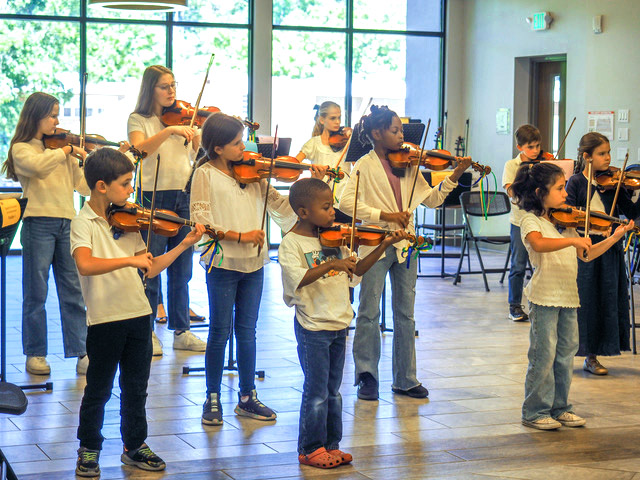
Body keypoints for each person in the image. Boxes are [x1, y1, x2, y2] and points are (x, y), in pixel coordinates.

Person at [71, 147, 205, 477]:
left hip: (138, 315)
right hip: (104, 320)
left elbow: (151, 267)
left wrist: (184, 244)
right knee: (98, 390)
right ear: (102, 186)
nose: (132, 190)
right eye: (126, 183)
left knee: (136, 388)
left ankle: (135, 445)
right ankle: (89, 448)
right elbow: (86, 265)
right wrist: (130, 260)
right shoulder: (82, 222)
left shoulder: (129, 223)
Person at [190, 113, 326, 426]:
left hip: (253, 262)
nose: (245, 147)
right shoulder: (205, 174)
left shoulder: (255, 175)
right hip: (223, 262)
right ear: (219, 148)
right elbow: (202, 221)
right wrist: (241, 235)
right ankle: (211, 397)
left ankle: (247, 397)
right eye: (237, 143)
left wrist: (314, 186)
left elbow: (282, 205)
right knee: (219, 331)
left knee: (247, 331)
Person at [338, 105, 472, 401]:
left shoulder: (409, 165)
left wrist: (456, 174)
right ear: (377, 134)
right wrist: (386, 214)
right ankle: (367, 375)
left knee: (406, 314)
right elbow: (346, 204)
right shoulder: (364, 164)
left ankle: (406, 378)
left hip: (406, 245)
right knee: (369, 311)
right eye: (395, 131)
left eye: (401, 131)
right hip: (375, 244)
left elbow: (434, 201)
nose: (401, 137)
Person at [279, 178, 406, 468]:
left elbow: (356, 270)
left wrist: (383, 245)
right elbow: (296, 279)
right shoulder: (292, 243)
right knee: (316, 391)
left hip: (338, 324)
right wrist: (330, 264)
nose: (333, 212)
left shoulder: (335, 238)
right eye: (326, 207)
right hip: (313, 327)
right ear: (303, 211)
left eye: (332, 205)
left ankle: (331, 445)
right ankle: (310, 448)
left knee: (334, 391)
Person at [510, 162, 633, 430]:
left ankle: (560, 407)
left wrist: (614, 237)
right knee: (543, 356)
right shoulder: (530, 221)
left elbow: (586, 253)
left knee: (565, 355)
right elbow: (539, 244)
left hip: (568, 297)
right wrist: (573, 240)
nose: (566, 194)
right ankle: (534, 411)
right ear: (540, 191)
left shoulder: (564, 222)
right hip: (544, 298)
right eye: (559, 188)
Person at [2, 92, 92, 376]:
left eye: (57, 115)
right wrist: (65, 152)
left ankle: (81, 352)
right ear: (36, 116)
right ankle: (36, 353)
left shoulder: (62, 151)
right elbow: (38, 168)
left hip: (67, 223)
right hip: (37, 224)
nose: (57, 121)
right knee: (36, 293)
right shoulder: (22, 148)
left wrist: (89, 162)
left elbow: (84, 188)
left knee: (73, 292)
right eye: (52, 115)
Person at [128, 64, 205, 355]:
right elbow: (140, 150)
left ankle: (182, 331)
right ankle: (146, 333)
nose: (171, 91)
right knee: (151, 266)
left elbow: (193, 157)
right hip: (154, 195)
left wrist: (197, 139)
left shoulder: (186, 118)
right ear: (151, 89)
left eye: (173, 85)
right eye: (164, 86)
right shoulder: (139, 119)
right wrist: (170, 129)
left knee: (182, 268)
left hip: (183, 195)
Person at [566, 132, 640, 375]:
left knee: (607, 298)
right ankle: (579, 352)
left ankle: (594, 355)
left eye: (609, 152)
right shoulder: (576, 182)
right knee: (587, 301)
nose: (608, 158)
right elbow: (569, 216)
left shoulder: (614, 184)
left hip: (609, 249)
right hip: (586, 248)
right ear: (587, 157)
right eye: (602, 153)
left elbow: (630, 212)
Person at [502, 124, 544, 322]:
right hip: (519, 222)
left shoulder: (543, 165)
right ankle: (514, 306)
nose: (535, 151)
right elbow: (510, 190)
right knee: (518, 265)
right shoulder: (512, 165)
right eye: (531, 147)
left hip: (541, 221)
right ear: (520, 147)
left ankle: (541, 303)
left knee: (541, 265)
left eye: (537, 146)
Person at [296, 101, 353, 223]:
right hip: (321, 201)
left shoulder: (346, 141)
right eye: (333, 118)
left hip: (344, 201)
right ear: (322, 120)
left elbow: (357, 166)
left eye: (339, 118)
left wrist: (353, 141)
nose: (337, 122)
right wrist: (313, 167)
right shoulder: (314, 143)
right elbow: (296, 163)